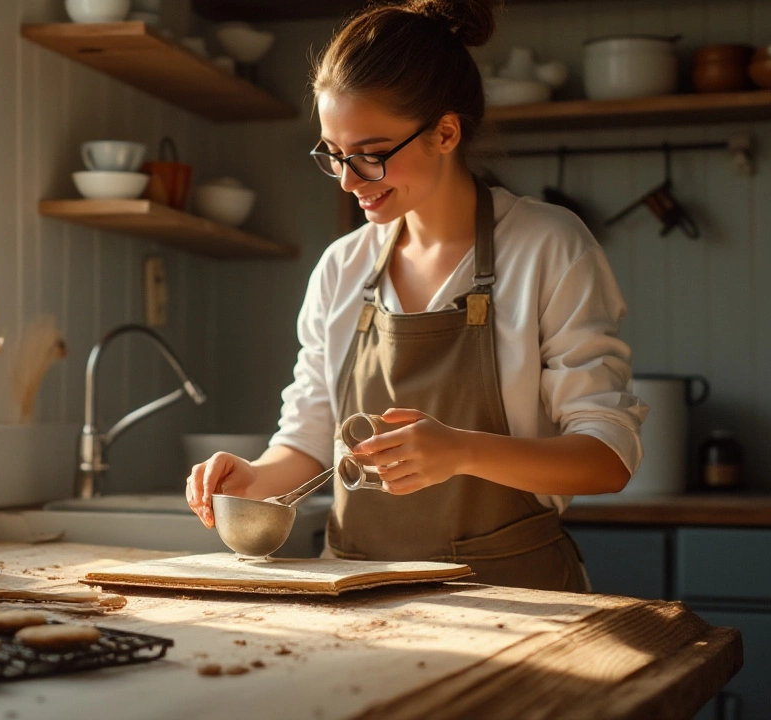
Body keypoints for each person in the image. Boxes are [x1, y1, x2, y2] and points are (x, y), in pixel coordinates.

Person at [185, 0, 646, 592]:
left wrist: (460, 451)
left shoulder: (548, 246)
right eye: (333, 154)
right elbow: (305, 442)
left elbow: (606, 458)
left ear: (445, 132)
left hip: (515, 597)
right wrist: (247, 481)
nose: (349, 180)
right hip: (357, 596)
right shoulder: (341, 267)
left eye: (371, 155)